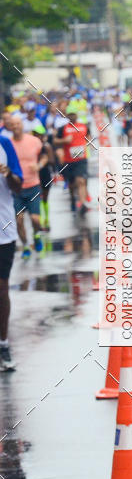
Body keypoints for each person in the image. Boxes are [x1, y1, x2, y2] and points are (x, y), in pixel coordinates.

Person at [0, 132, 22, 370]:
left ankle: (3, 344)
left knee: (2, 289)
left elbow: (18, 184)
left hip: (3, 232)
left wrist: (7, 174)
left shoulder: (4, 144)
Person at [11, 116, 43, 256]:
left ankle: (36, 236)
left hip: (33, 186)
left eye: (18, 124)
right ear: (10, 127)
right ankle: (25, 246)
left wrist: (39, 165)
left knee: (35, 219)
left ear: (22, 125)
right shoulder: (8, 144)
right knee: (19, 220)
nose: (16, 127)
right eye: (13, 124)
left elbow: (45, 156)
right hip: (16, 189)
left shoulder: (34, 141)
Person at [53, 101, 89, 215]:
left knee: (81, 180)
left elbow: (89, 137)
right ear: (67, 116)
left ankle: (82, 204)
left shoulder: (83, 126)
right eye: (70, 114)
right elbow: (55, 140)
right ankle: (73, 198)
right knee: (72, 184)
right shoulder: (63, 128)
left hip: (81, 159)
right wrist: (64, 140)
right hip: (69, 160)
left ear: (77, 115)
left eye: (74, 114)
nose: (72, 116)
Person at [31, 122, 55, 232]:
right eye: (35, 134)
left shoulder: (46, 146)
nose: (38, 137)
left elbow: (52, 161)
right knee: (38, 197)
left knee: (45, 198)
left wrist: (45, 157)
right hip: (35, 175)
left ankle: (47, 220)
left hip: (45, 174)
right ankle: (40, 222)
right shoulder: (30, 147)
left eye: (39, 135)